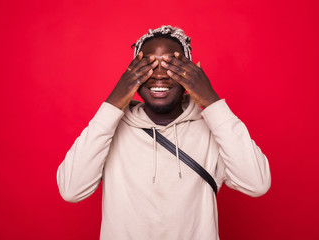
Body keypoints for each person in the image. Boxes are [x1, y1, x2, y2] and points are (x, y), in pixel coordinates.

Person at [57, 25, 271, 240]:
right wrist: (113, 103)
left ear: (190, 75)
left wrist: (212, 102)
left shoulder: (213, 130)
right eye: (148, 64)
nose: (159, 75)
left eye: (172, 65)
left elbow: (257, 183)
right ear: (132, 74)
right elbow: (71, 189)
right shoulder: (110, 129)